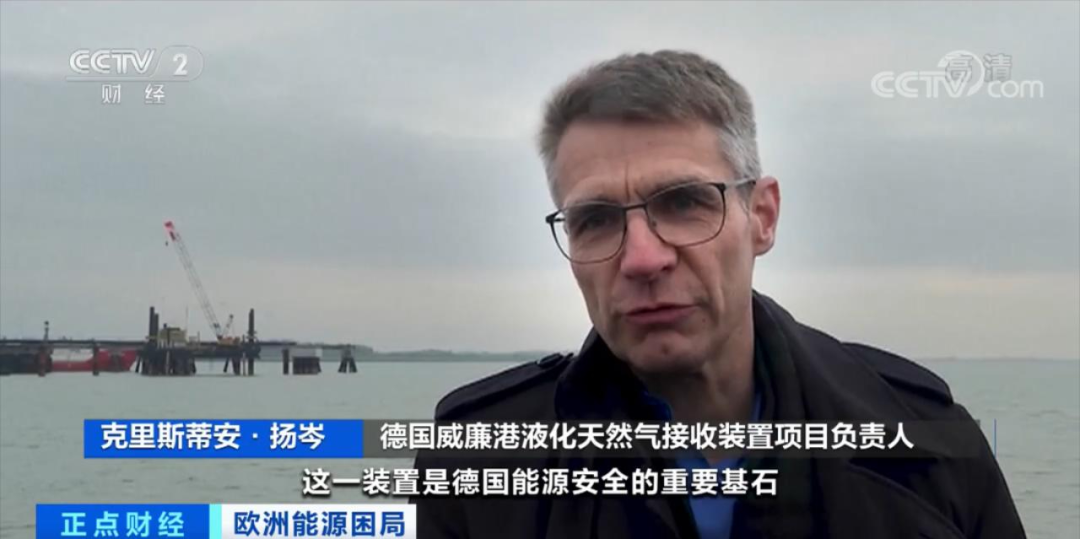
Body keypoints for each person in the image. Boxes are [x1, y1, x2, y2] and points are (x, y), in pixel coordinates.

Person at [412, 50, 1026, 539]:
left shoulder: (926, 443)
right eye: (595, 219)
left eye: (684, 203)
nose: (643, 259)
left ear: (762, 216)